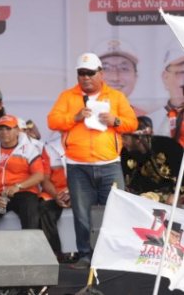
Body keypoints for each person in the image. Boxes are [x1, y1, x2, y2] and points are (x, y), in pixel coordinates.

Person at [47, 52, 138, 269]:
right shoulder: (68, 97)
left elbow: (132, 123)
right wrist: (74, 117)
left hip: (109, 165)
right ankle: (86, 255)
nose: (86, 77)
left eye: (90, 73)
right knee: (82, 213)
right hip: (79, 166)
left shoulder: (115, 97)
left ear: (100, 73)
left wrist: (115, 120)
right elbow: (52, 120)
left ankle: (114, 256)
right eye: (81, 73)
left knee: (114, 213)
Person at [0, 115, 44, 231]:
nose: (4, 132)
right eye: (1, 129)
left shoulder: (29, 148)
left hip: (24, 192)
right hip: (1, 196)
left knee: (30, 214)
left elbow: (39, 175)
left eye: (8, 129)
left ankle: (30, 248)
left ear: (17, 131)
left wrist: (18, 186)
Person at [122, 116, 182, 202]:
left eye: (125, 138)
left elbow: (182, 173)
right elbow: (126, 179)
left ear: (138, 138)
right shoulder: (125, 153)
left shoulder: (169, 146)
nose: (122, 141)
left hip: (172, 193)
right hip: (143, 197)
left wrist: (175, 193)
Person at [39, 133, 72, 262]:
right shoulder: (49, 147)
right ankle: (55, 253)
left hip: (80, 191)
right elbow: (45, 180)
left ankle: (85, 253)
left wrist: (73, 194)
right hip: (55, 192)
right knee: (43, 209)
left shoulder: (85, 145)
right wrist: (56, 196)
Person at [95, 39, 145, 115]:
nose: (115, 78)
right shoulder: (75, 117)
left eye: (124, 68)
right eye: (105, 68)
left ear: (135, 76)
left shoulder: (145, 119)